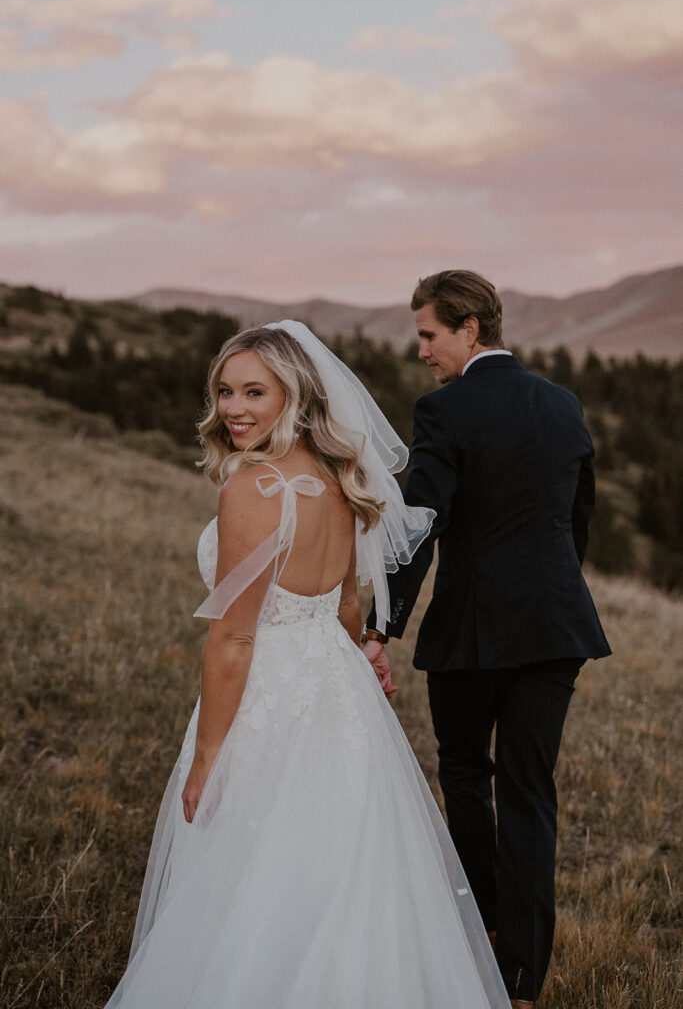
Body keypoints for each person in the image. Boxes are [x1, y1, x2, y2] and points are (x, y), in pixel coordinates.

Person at [104, 320, 511, 1008]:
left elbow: (233, 639)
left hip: (274, 687)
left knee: (253, 860)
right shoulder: (337, 480)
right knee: (347, 858)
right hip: (337, 684)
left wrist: (207, 758)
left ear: (293, 395)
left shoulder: (254, 488)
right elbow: (347, 606)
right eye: (225, 391)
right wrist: (361, 655)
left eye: (254, 392)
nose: (233, 408)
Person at [362, 271, 611, 1008]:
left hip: (472, 632)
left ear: (469, 330)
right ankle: (525, 978)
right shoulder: (562, 404)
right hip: (556, 627)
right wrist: (554, 593)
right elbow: (577, 522)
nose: (421, 352)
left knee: (467, 775)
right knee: (531, 794)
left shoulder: (444, 409)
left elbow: (419, 524)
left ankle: (483, 932)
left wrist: (381, 625)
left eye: (428, 335)